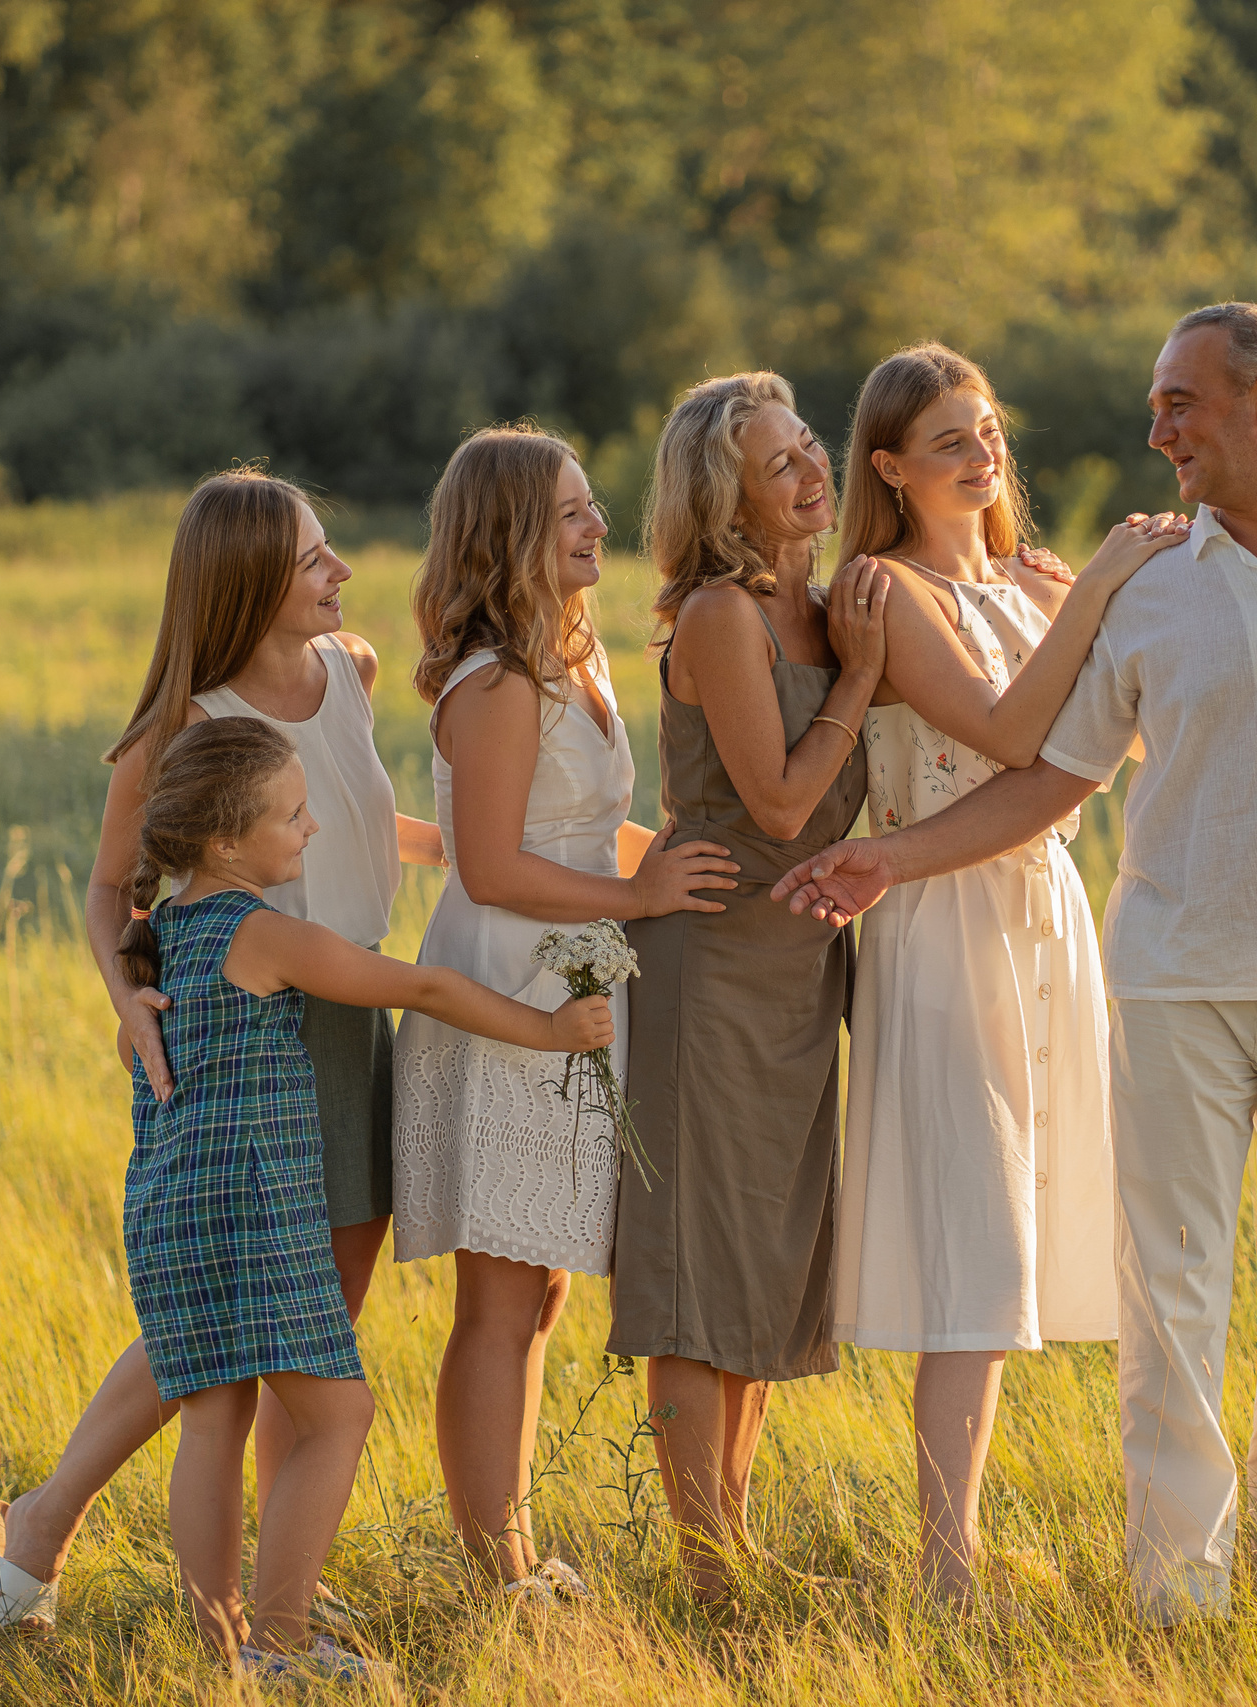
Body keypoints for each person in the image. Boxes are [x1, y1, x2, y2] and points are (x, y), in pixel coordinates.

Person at [774, 302, 1257, 1622]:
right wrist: (888, 858)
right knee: (1169, 1281)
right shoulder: (1144, 585)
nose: (1154, 429)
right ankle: (1176, 1580)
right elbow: (1046, 782)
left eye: (1176, 403)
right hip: (1171, 978)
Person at [0, 467, 442, 1633]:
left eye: (332, 549)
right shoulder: (183, 725)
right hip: (245, 1027)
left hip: (350, 1007)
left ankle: (289, 1569)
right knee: (225, 1315)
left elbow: (352, 814)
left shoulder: (353, 671)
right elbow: (103, 886)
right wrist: (127, 1000)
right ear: (244, 583)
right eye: (312, 560)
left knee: (309, 1319)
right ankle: (47, 1519)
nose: (340, 572)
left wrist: (492, 846)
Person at [52, 715, 609, 1674]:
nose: (311, 831)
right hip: (257, 1216)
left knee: (214, 1418)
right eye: (293, 815)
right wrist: (548, 1030)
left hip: (170, 1215)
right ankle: (280, 1638)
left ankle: (227, 1648)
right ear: (228, 843)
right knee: (340, 1414)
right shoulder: (264, 935)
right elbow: (423, 988)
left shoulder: (161, 941)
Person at [832, 342, 1185, 1601]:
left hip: (1047, 912)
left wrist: (1076, 600)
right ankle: (947, 1568)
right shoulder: (881, 590)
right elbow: (1006, 730)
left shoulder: (1027, 586)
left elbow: (1123, 739)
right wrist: (1090, 590)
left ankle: (967, 1548)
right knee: (972, 1239)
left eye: (987, 432)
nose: (982, 456)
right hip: (940, 921)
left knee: (1027, 1229)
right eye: (948, 442)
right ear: (888, 466)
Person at [393, 426, 739, 1599]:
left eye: (595, 506)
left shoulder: (574, 659)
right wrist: (638, 894)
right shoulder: (493, 682)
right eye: (571, 514)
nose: (598, 527)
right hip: (505, 990)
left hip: (575, 986)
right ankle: (498, 1570)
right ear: (507, 536)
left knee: (537, 1290)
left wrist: (711, 871)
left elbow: (584, 837)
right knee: (499, 1296)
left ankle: (514, 1548)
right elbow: (488, 867)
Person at [604, 372, 884, 1601]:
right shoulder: (720, 614)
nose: (811, 473)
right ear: (724, 496)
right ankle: (703, 1568)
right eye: (779, 464)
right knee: (694, 1278)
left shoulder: (829, 609)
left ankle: (738, 1544)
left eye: (809, 448)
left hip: (797, 971)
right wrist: (863, 683)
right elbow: (775, 801)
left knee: (766, 1265)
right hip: (710, 964)